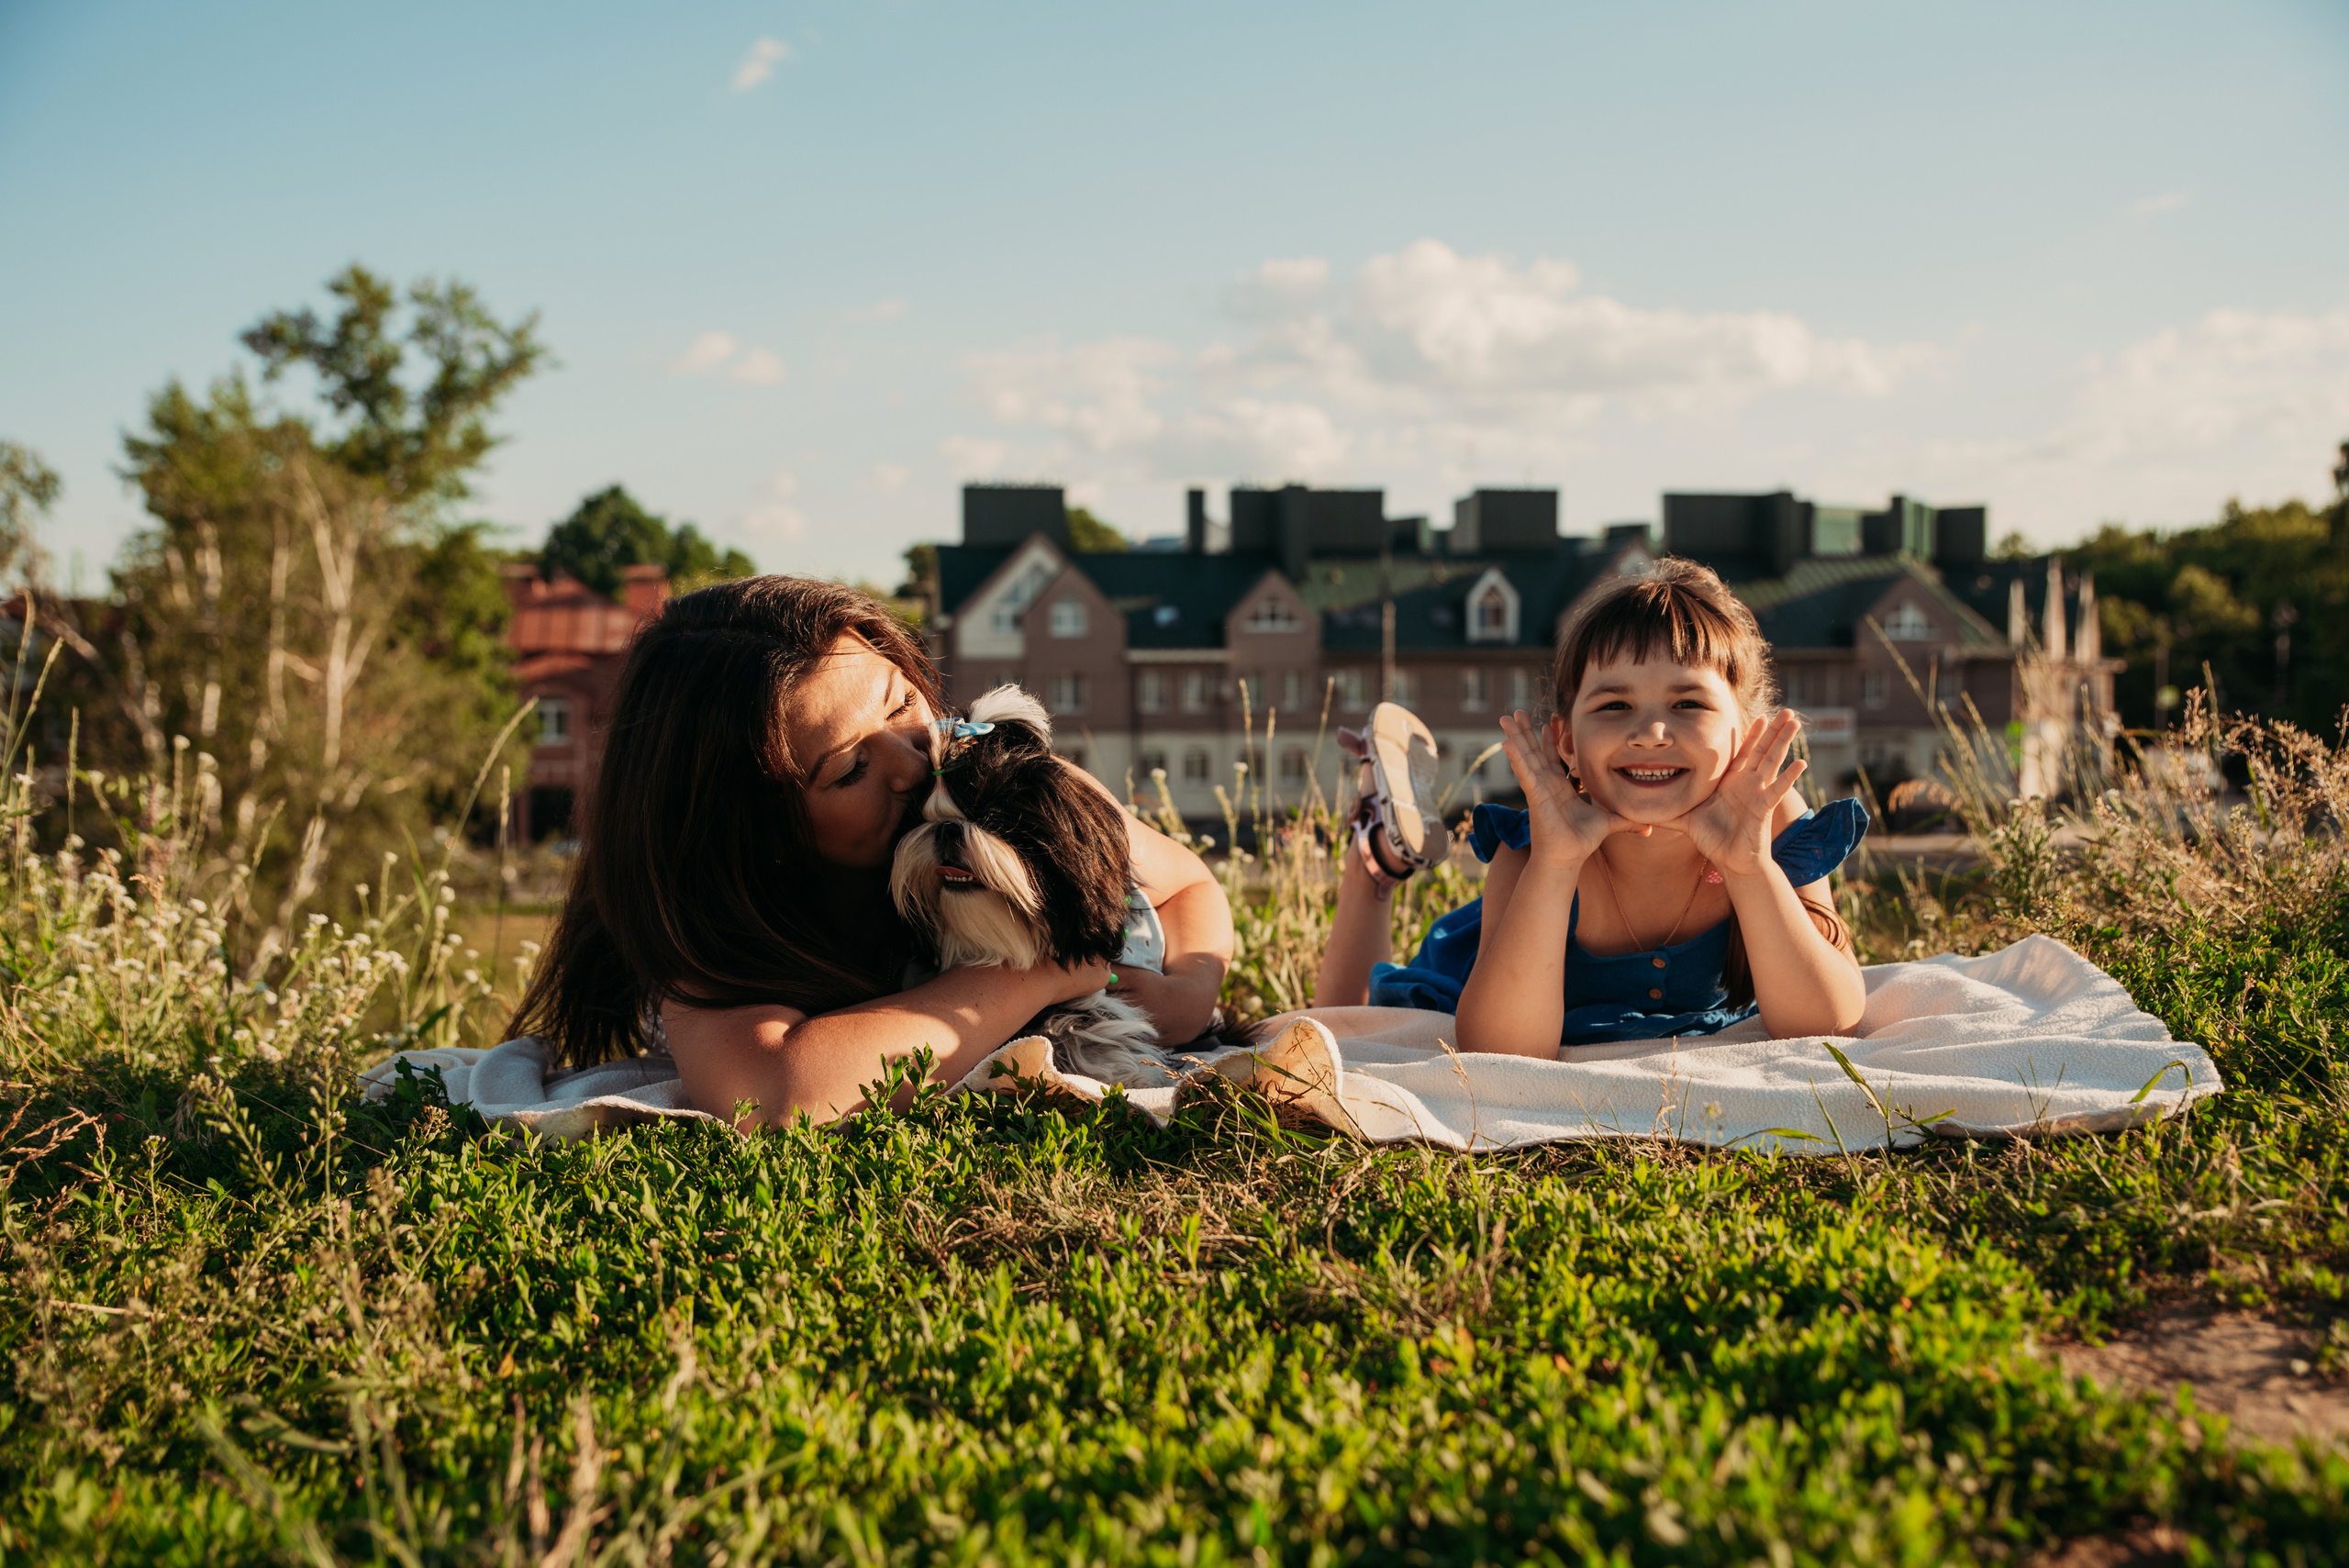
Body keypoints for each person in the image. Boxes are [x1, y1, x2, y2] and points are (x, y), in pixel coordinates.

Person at [506, 576, 1232, 1124]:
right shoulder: (712, 923)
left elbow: (1187, 883)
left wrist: (1191, 990)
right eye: (851, 768)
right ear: (756, 830)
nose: (911, 762)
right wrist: (1043, 972)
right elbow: (777, 1093)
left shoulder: (996, 780)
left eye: (901, 702)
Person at [1310, 559, 1867, 1052]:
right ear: (1568, 743)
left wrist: (1750, 868)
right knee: (1352, 1023)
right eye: (1614, 705)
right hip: (1499, 960)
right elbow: (1502, 1048)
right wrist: (1556, 862)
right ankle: (1373, 858)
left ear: (1746, 736)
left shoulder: (1771, 823)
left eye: (1688, 704)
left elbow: (1830, 1021)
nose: (1651, 733)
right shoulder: (1532, 849)